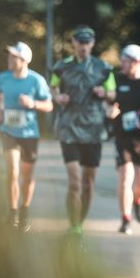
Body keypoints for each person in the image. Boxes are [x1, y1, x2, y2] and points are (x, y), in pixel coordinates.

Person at [50, 26, 116, 237]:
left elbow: (113, 93)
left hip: (94, 129)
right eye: (80, 42)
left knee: (88, 184)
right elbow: (53, 88)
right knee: (75, 182)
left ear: (92, 44)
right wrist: (57, 97)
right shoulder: (62, 66)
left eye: (87, 42)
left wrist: (105, 93)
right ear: (74, 43)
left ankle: (80, 221)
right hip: (68, 128)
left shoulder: (103, 67)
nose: (83, 46)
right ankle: (74, 225)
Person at [0, 42, 53, 231]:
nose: (9, 60)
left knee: (27, 175)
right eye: (9, 56)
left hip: (29, 133)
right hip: (8, 131)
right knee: (12, 171)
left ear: (24, 60)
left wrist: (33, 104)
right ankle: (12, 212)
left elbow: (49, 105)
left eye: (14, 57)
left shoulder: (36, 80)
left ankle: (24, 209)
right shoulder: (3, 77)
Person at [108, 44, 140, 236]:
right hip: (122, 137)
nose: (121, 63)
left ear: (136, 62)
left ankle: (138, 201)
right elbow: (110, 101)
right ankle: (125, 219)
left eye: (124, 60)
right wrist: (110, 111)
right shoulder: (117, 79)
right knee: (124, 179)